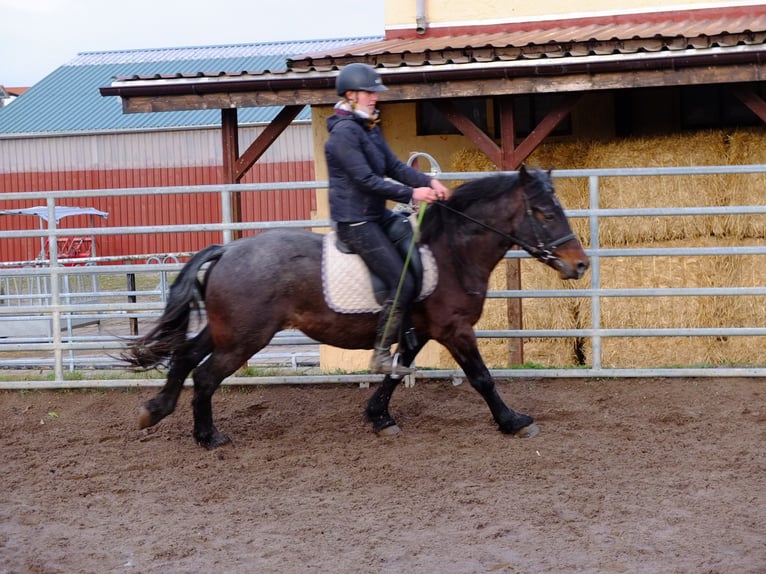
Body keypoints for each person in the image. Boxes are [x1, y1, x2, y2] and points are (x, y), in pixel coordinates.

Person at [325, 62, 451, 375]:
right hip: (355, 222)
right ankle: (381, 355)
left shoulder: (369, 127)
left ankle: (410, 331)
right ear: (351, 95)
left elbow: (394, 167)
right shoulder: (343, 135)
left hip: (376, 215)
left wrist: (427, 181)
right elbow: (366, 180)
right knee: (399, 282)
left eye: (375, 93)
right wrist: (412, 196)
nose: (375, 98)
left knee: (417, 253)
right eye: (369, 92)